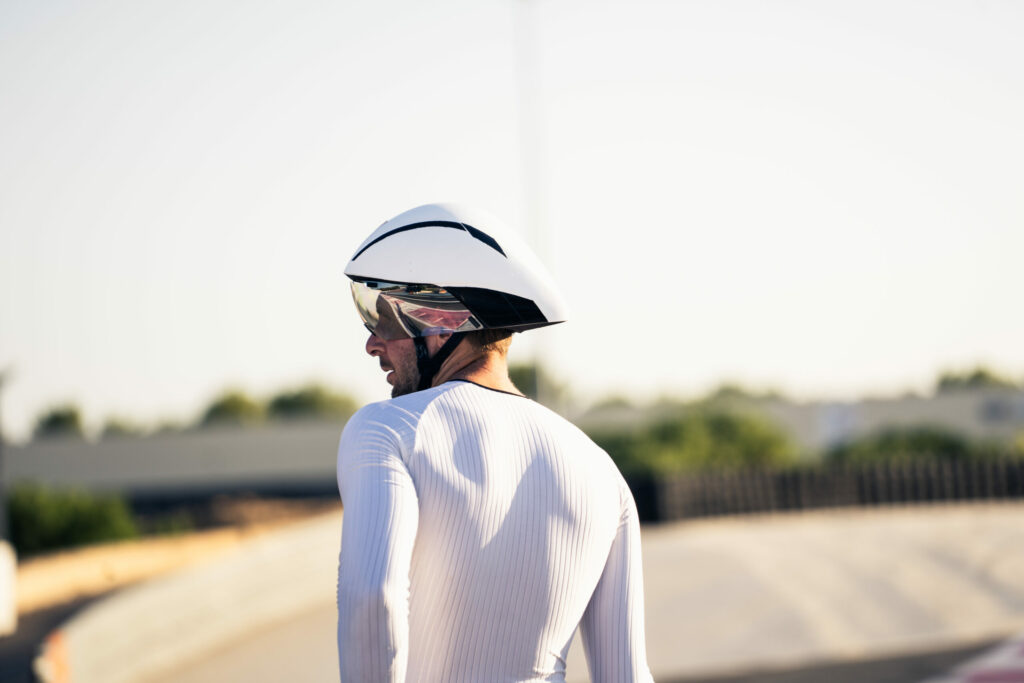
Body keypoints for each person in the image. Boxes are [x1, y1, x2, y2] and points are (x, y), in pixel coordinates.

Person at [335, 203, 654, 683]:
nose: (372, 343)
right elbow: (626, 675)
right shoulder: (600, 468)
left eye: (383, 319)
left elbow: (371, 600)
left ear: (442, 319)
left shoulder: (386, 429)